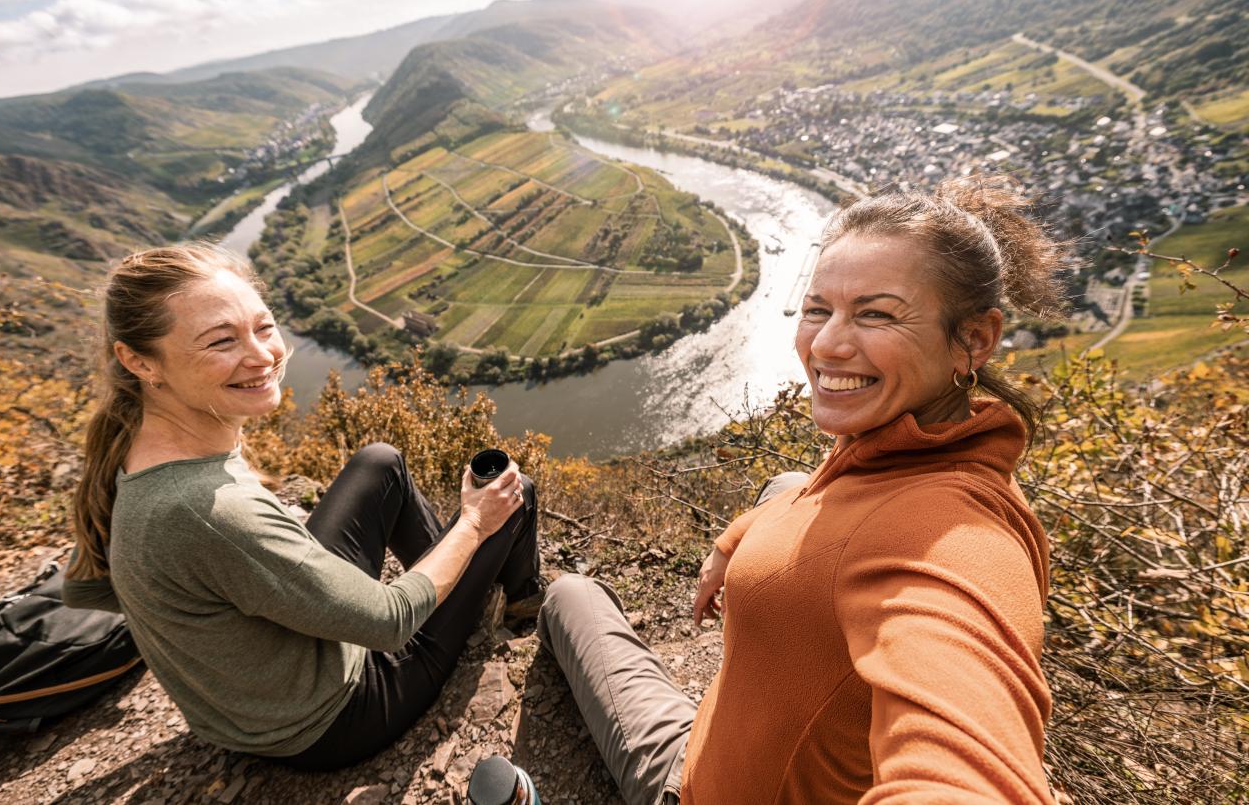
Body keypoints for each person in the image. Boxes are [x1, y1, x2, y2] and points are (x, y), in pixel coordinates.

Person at [538, 175, 1067, 804]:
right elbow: (815, 491)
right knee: (781, 482)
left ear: (974, 340)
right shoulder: (894, 447)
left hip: (690, 789)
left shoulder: (946, 538)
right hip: (716, 742)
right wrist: (741, 537)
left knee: (568, 594)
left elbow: (964, 768)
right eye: (818, 308)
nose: (825, 343)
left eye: (876, 314)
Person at [62, 244, 543, 771]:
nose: (263, 355)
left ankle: (457, 590)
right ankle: (519, 603)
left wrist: (232, 605)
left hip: (266, 688)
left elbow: (88, 588)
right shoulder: (204, 508)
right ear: (139, 360)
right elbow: (389, 621)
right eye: (222, 341)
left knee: (380, 463)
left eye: (263, 327)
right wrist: (473, 522)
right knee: (512, 499)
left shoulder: (134, 444)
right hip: (329, 719)